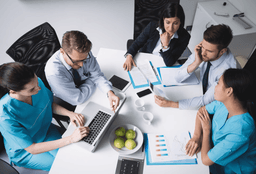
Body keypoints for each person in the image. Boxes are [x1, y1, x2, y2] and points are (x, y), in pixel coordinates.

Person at [0, 62, 90, 171]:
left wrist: (69, 113)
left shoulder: (36, 84)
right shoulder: (4, 114)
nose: (38, 88)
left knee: (74, 156)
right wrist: (70, 138)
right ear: (14, 91)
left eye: (37, 82)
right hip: (25, 151)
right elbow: (31, 148)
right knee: (64, 165)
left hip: (45, 130)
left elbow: (47, 103)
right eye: (32, 89)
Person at [185, 69, 256, 174]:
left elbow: (206, 160)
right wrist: (196, 136)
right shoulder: (225, 103)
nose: (215, 87)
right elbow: (202, 110)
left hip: (232, 169)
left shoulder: (241, 132)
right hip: (215, 152)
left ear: (229, 91)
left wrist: (206, 130)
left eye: (218, 83)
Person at [155, 24, 240, 110]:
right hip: (197, 89)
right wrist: (196, 62)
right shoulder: (203, 51)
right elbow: (178, 77)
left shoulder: (227, 72)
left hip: (215, 104)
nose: (203, 53)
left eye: (209, 51)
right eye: (203, 47)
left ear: (222, 51)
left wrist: (171, 104)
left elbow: (205, 101)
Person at [45, 31, 119, 112]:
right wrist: (92, 79)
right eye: (76, 61)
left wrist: (109, 92)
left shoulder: (83, 53)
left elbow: (97, 75)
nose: (81, 65)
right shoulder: (54, 72)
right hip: (69, 100)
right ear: (62, 52)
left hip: (86, 91)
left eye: (84, 60)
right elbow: (78, 99)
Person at [123, 3, 190, 71]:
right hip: (146, 60)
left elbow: (169, 63)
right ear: (163, 19)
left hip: (163, 65)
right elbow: (137, 43)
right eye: (167, 22)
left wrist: (165, 45)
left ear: (180, 22)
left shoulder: (184, 37)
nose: (170, 28)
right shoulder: (152, 26)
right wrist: (129, 56)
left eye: (175, 23)